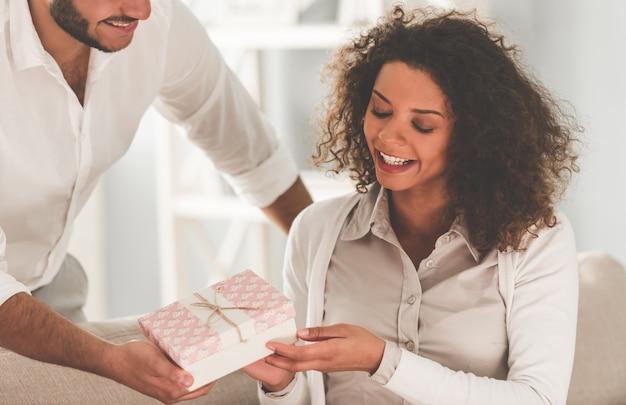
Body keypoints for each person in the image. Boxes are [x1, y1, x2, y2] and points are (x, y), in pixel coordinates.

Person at [244, 5, 582, 405]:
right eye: (380, 110)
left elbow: (539, 399)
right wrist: (280, 385)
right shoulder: (315, 232)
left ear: (475, 137)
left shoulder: (536, 239)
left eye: (422, 125)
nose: (388, 136)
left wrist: (382, 359)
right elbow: (304, 396)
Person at [0, 0, 312, 403]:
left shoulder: (155, 22)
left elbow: (250, 152)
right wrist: (108, 360)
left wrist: (334, 266)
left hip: (51, 283)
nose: (141, 11)